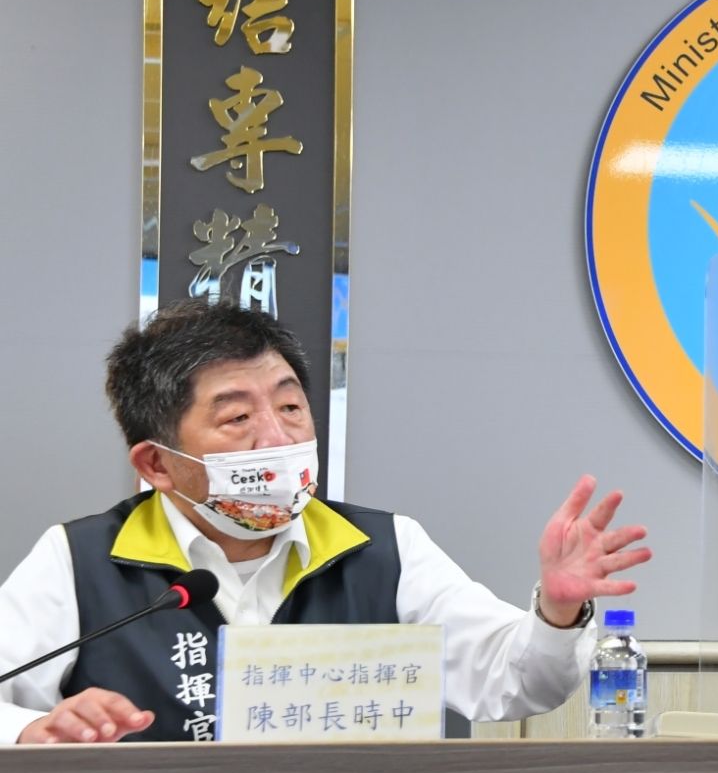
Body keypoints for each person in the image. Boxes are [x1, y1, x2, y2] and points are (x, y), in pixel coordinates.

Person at [0, 300, 652, 744]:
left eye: (290, 407)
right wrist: (32, 729)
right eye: (237, 418)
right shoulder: (78, 560)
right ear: (157, 464)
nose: (277, 437)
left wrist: (557, 613)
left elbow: (517, 683)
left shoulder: (385, 548)